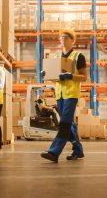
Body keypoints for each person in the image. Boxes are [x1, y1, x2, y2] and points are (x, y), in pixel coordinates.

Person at [41, 29, 87, 162]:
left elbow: (84, 77)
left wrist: (71, 76)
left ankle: (54, 152)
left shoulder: (78, 56)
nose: (63, 39)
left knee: (64, 123)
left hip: (71, 95)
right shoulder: (57, 58)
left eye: (66, 37)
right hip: (60, 95)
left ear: (72, 40)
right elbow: (55, 78)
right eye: (61, 37)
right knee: (70, 124)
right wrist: (47, 75)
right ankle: (78, 150)